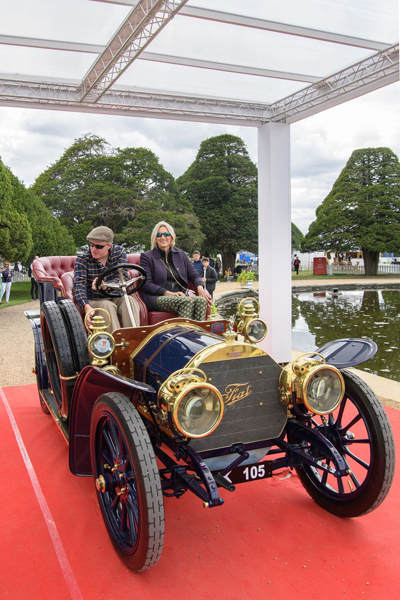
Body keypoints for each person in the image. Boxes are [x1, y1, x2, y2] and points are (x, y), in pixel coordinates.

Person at [74, 226, 141, 333]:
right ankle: (114, 345)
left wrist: (106, 285)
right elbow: (79, 286)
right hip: (94, 300)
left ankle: (134, 339)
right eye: (91, 245)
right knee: (106, 305)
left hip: (114, 295)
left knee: (130, 301)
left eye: (98, 246)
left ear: (109, 245)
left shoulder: (119, 252)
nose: (93, 249)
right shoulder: (82, 260)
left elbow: (122, 276)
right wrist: (86, 307)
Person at [140, 221, 211, 320]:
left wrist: (200, 288)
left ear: (171, 237)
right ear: (155, 238)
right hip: (158, 297)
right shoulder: (147, 257)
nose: (163, 237)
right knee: (186, 301)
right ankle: (183, 333)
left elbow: (194, 275)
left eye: (166, 234)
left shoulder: (180, 254)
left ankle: (196, 332)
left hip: (180, 294)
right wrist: (168, 293)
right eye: (159, 235)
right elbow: (147, 284)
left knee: (201, 301)